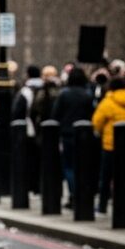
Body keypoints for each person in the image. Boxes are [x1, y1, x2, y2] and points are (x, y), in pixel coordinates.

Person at [92, 77, 125, 215]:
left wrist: (99, 134)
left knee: (106, 177)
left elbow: (96, 122)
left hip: (110, 145)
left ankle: (102, 206)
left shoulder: (107, 102)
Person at [50, 66, 93, 203]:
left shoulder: (64, 94)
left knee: (69, 166)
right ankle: (83, 194)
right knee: (83, 165)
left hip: (67, 133)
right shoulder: (88, 94)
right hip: (85, 134)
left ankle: (73, 193)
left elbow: (55, 114)